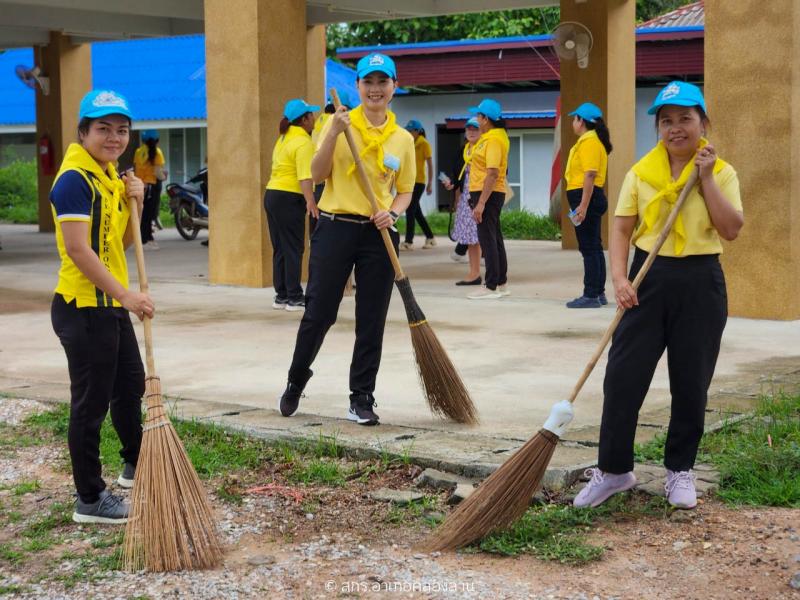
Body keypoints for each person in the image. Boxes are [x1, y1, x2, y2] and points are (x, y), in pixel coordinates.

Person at [573, 81, 743, 510]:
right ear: (658, 128)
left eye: (686, 118)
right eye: (666, 120)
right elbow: (621, 228)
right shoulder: (640, 173)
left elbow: (731, 229)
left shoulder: (721, 172)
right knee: (623, 377)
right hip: (646, 276)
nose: (676, 128)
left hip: (701, 282)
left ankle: (680, 470)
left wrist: (704, 179)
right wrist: (619, 279)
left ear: (703, 122)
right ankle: (614, 470)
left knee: (691, 381)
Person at [278, 52, 415, 426]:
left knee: (372, 318)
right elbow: (318, 173)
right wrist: (335, 133)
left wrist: (395, 212)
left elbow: (404, 191)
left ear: (393, 87)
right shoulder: (337, 123)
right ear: (357, 87)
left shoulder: (402, 140)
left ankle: (361, 397)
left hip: (379, 232)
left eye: (382, 82)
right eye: (368, 82)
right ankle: (295, 379)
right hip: (336, 227)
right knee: (319, 312)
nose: (375, 89)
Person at [50, 90, 154, 524]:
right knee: (91, 403)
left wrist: (139, 202)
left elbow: (118, 244)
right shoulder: (75, 179)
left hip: (109, 303)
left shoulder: (107, 176)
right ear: (83, 132)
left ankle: (137, 465)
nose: (114, 137)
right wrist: (127, 296)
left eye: (121, 129)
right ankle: (90, 498)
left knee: (129, 387)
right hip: (84, 307)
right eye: (103, 129)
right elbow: (78, 250)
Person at [264, 98, 320, 312]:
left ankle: (282, 296)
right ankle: (295, 297)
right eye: (311, 115)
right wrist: (310, 201)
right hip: (289, 197)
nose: (314, 118)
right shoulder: (303, 142)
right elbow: (305, 176)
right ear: (304, 120)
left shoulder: (283, 138)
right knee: (294, 248)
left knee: (280, 247)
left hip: (272, 195)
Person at [564, 102, 613, 308]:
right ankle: (598, 293)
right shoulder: (589, 141)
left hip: (587, 198)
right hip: (587, 197)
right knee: (594, 246)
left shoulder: (590, 142)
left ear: (581, 121)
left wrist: (582, 206)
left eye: (575, 119)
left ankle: (591, 294)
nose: (573, 123)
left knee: (589, 248)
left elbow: (590, 174)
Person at [465, 99, 511, 300]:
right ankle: (500, 282)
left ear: (485, 119)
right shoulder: (494, 136)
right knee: (495, 238)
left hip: (487, 193)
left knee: (487, 239)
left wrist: (481, 203)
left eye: (478, 115)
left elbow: (492, 172)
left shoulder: (492, 140)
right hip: (490, 192)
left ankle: (490, 285)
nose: (476, 119)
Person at [443, 117, 482, 285]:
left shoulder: (484, 148)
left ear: (483, 131)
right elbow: (457, 173)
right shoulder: (464, 150)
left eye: (475, 129)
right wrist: (451, 183)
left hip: (481, 198)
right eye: (469, 129)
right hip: (467, 198)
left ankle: (496, 279)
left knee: (481, 238)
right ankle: (474, 273)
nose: (471, 132)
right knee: (470, 238)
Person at [400, 119, 435, 250]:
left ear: (418, 131)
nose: (408, 132)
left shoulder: (424, 144)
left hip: (419, 182)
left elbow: (430, 165)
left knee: (410, 210)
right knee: (416, 212)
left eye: (410, 131)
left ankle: (408, 241)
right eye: (407, 130)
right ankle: (430, 238)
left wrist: (430, 183)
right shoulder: (409, 143)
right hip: (409, 181)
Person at [132, 129, 166, 250]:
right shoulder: (157, 152)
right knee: (151, 213)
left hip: (140, 186)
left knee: (142, 212)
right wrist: (164, 176)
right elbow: (158, 173)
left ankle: (142, 238)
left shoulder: (138, 151)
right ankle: (147, 238)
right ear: (157, 140)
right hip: (152, 186)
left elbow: (136, 169)